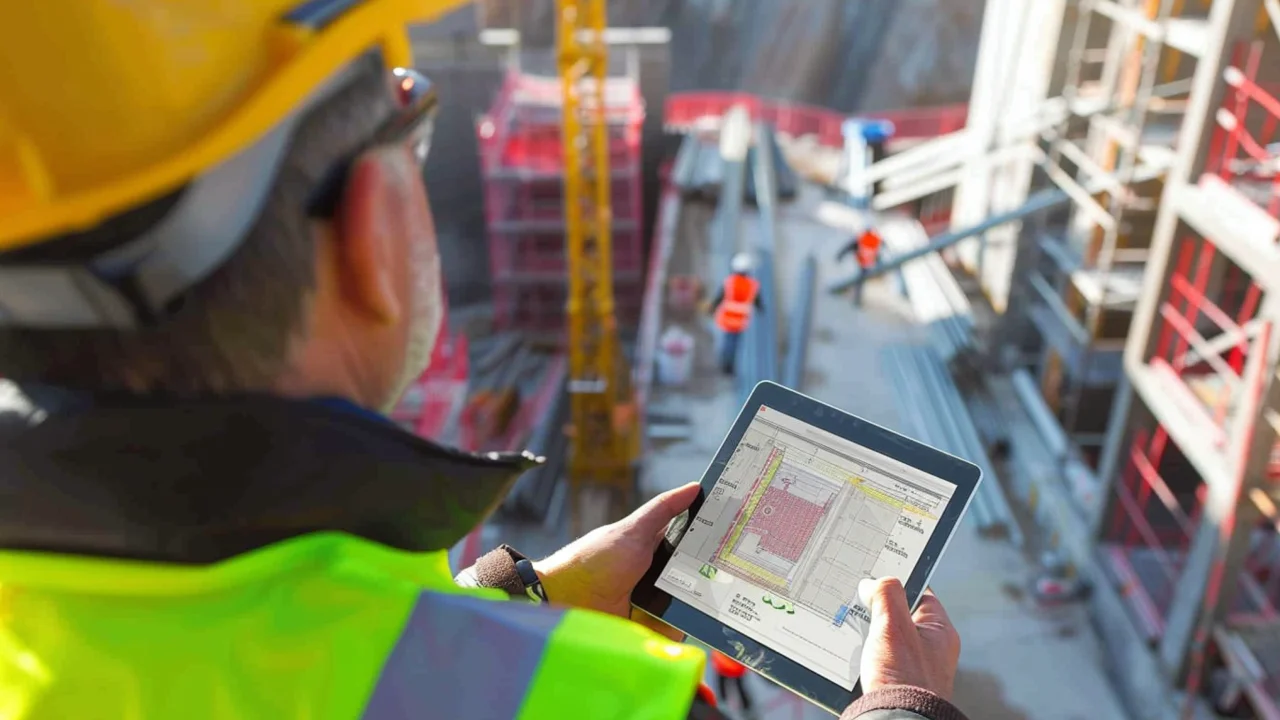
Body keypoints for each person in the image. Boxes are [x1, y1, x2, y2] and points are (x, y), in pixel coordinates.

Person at [0, 2, 967, 719]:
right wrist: (899, 706)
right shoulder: (605, 705)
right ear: (371, 232)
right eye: (411, 135)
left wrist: (525, 596)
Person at [709, 252, 764, 375]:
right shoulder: (751, 285)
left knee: (727, 343)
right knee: (734, 344)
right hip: (740, 321)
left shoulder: (730, 282)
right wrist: (761, 310)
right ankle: (730, 367)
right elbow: (758, 302)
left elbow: (719, 297)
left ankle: (725, 365)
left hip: (727, 319)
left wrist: (711, 309)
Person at [837, 226, 885, 306]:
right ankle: (853, 295)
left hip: (864, 261)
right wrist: (840, 256)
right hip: (863, 262)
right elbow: (849, 247)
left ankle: (855, 296)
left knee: (859, 279)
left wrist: (840, 256)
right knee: (858, 279)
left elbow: (849, 247)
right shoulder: (866, 240)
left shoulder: (868, 239)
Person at [710, 650, 758, 719]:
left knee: (728, 685)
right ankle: (745, 707)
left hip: (729, 665)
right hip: (727, 665)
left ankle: (746, 707)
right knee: (727, 685)